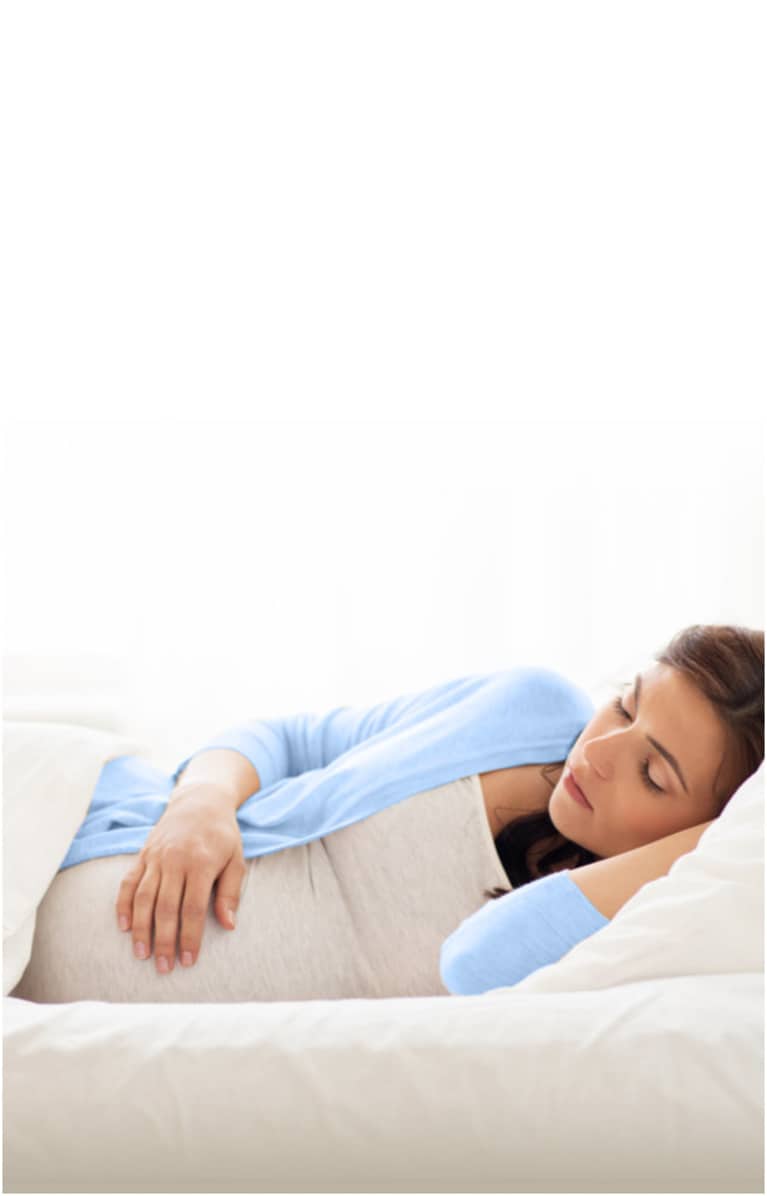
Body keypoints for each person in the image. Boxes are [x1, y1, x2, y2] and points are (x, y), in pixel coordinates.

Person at [11, 623, 763, 1004]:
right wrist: (199, 803)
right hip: (75, 816)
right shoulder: (529, 707)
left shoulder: (641, 921)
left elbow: (476, 964)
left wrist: (711, 843)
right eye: (625, 705)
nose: (600, 752)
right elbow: (290, 738)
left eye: (653, 775)